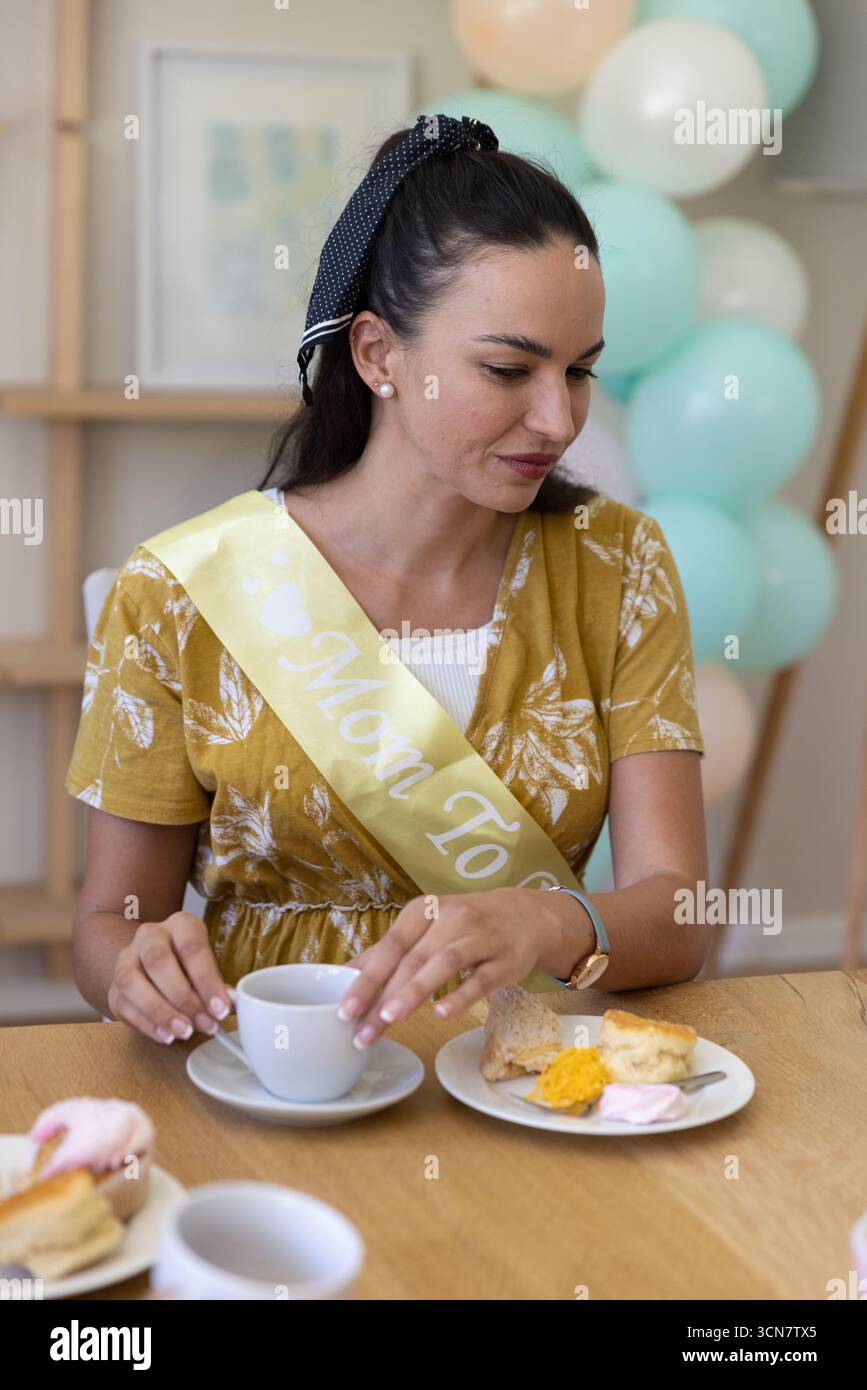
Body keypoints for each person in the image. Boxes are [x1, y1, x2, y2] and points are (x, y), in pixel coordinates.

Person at [67, 114, 709, 1054]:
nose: (556, 417)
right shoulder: (183, 590)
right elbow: (104, 929)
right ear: (377, 356)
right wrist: (136, 966)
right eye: (507, 368)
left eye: (579, 373)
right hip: (275, 1083)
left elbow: (681, 914)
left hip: (521, 1085)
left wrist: (547, 923)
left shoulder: (618, 565)